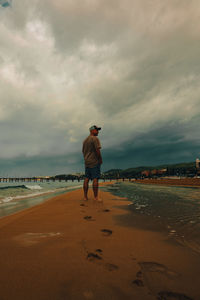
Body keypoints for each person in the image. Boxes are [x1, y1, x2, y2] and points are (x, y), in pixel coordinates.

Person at [82, 125, 103, 201]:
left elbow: (83, 151)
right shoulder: (95, 138)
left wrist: (86, 159)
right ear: (92, 131)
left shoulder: (85, 140)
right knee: (95, 179)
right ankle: (96, 197)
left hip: (87, 162)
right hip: (94, 161)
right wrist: (100, 159)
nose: (98, 132)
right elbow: (97, 150)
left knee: (86, 179)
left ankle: (85, 197)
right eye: (96, 130)